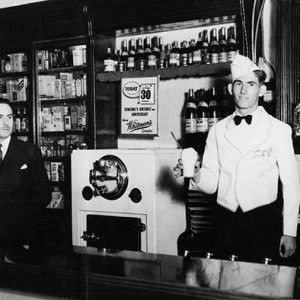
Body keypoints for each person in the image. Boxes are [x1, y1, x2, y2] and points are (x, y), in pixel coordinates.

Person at [174, 54, 300, 263]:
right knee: (228, 287)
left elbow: (291, 185)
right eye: (238, 84)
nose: (243, 90)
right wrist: (196, 174)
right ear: (231, 88)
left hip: (264, 220)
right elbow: (212, 183)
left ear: (261, 90)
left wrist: (290, 231)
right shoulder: (217, 130)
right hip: (226, 221)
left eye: (251, 84)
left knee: (263, 288)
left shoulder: (279, 130)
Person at [0, 99, 51, 262]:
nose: (5, 123)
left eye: (9, 117)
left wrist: (20, 224)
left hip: (17, 239)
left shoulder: (28, 152)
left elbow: (43, 196)